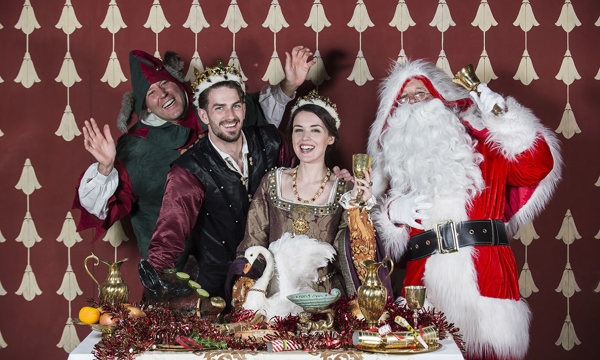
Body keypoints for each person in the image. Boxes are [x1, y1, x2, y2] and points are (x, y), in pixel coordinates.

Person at [367, 60, 561, 360]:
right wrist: (392, 212)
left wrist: (505, 120)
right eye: (403, 99)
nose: (411, 104)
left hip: (486, 278)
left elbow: (537, 166)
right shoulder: (398, 167)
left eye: (420, 94)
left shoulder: (486, 146)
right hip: (424, 287)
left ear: (441, 99)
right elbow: (374, 247)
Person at [73, 46, 316, 262]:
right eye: (152, 92)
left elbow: (258, 121)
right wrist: (105, 167)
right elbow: (100, 208)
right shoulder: (135, 149)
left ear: (178, 84)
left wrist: (290, 84)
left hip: (242, 260)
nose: (163, 94)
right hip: (176, 273)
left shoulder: (215, 111)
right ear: (146, 106)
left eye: (165, 83)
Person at [228, 90, 392, 312]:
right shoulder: (272, 182)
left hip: (326, 304)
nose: (306, 139)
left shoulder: (344, 190)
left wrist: (358, 209)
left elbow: (356, 257)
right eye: (299, 130)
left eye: (315, 130)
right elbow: (252, 244)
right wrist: (247, 289)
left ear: (330, 137)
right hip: (274, 301)